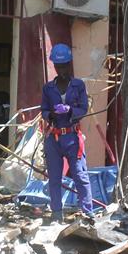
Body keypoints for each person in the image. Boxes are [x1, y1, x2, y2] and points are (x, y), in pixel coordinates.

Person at [40, 43, 94, 223]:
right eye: (58, 66)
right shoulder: (48, 88)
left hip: (72, 137)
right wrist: (51, 115)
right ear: (54, 66)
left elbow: (84, 108)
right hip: (54, 138)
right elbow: (44, 110)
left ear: (70, 64)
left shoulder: (78, 85)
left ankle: (87, 213)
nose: (61, 69)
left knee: (80, 174)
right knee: (54, 177)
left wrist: (70, 110)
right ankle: (56, 214)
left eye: (64, 65)